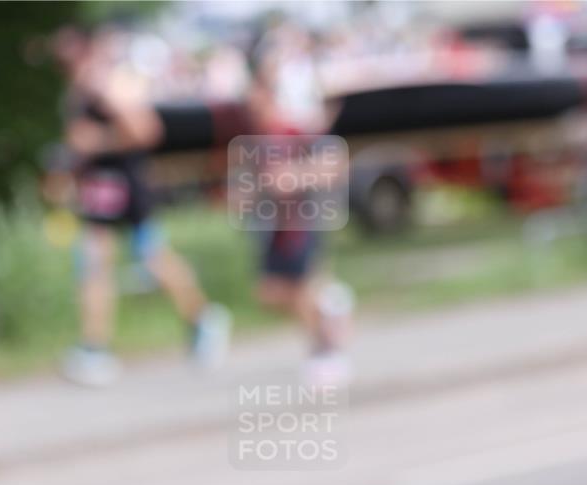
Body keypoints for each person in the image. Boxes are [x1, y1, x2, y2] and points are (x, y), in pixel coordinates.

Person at [46, 26, 230, 386]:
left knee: (151, 257)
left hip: (127, 186)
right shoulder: (79, 91)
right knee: (94, 260)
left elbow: (146, 130)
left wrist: (98, 142)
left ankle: (202, 318)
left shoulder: (108, 85)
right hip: (100, 188)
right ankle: (95, 348)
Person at [245, 26, 355, 386]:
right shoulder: (262, 133)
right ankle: (331, 303)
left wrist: (294, 176)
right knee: (271, 292)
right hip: (277, 222)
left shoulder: (295, 127)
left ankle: (326, 352)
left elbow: (334, 163)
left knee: (302, 289)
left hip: (301, 218)